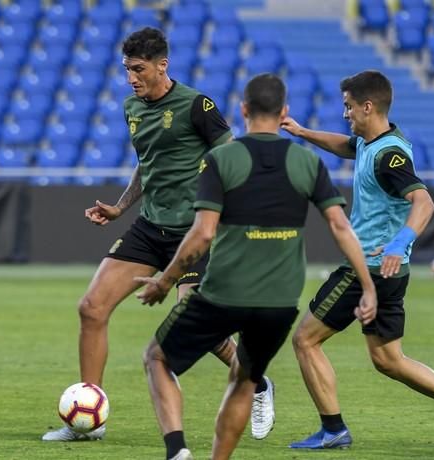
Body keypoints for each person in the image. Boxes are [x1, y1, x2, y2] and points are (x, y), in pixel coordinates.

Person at [42, 27, 274, 442]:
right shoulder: (132, 107)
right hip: (151, 225)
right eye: (127, 69)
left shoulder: (196, 105)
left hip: (196, 230)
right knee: (91, 307)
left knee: (196, 325)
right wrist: (120, 207)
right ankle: (88, 421)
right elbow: (148, 163)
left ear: (161, 65)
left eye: (138, 69)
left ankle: (257, 382)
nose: (131, 77)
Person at [135, 73, 377, 460]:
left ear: (243, 110)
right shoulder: (307, 162)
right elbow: (340, 227)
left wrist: (166, 281)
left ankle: (177, 451)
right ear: (284, 113)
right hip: (279, 304)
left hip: (224, 294)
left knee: (157, 358)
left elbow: (202, 235)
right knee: (244, 380)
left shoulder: (221, 159)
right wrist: (367, 286)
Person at [282, 69, 434, 450]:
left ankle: (333, 430)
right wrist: (302, 132)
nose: (345, 114)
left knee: (304, 340)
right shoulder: (376, 142)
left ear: (368, 106)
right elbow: (345, 146)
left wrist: (399, 243)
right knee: (388, 359)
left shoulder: (390, 156)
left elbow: (424, 201)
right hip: (390, 273)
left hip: (367, 266)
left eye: (349, 107)